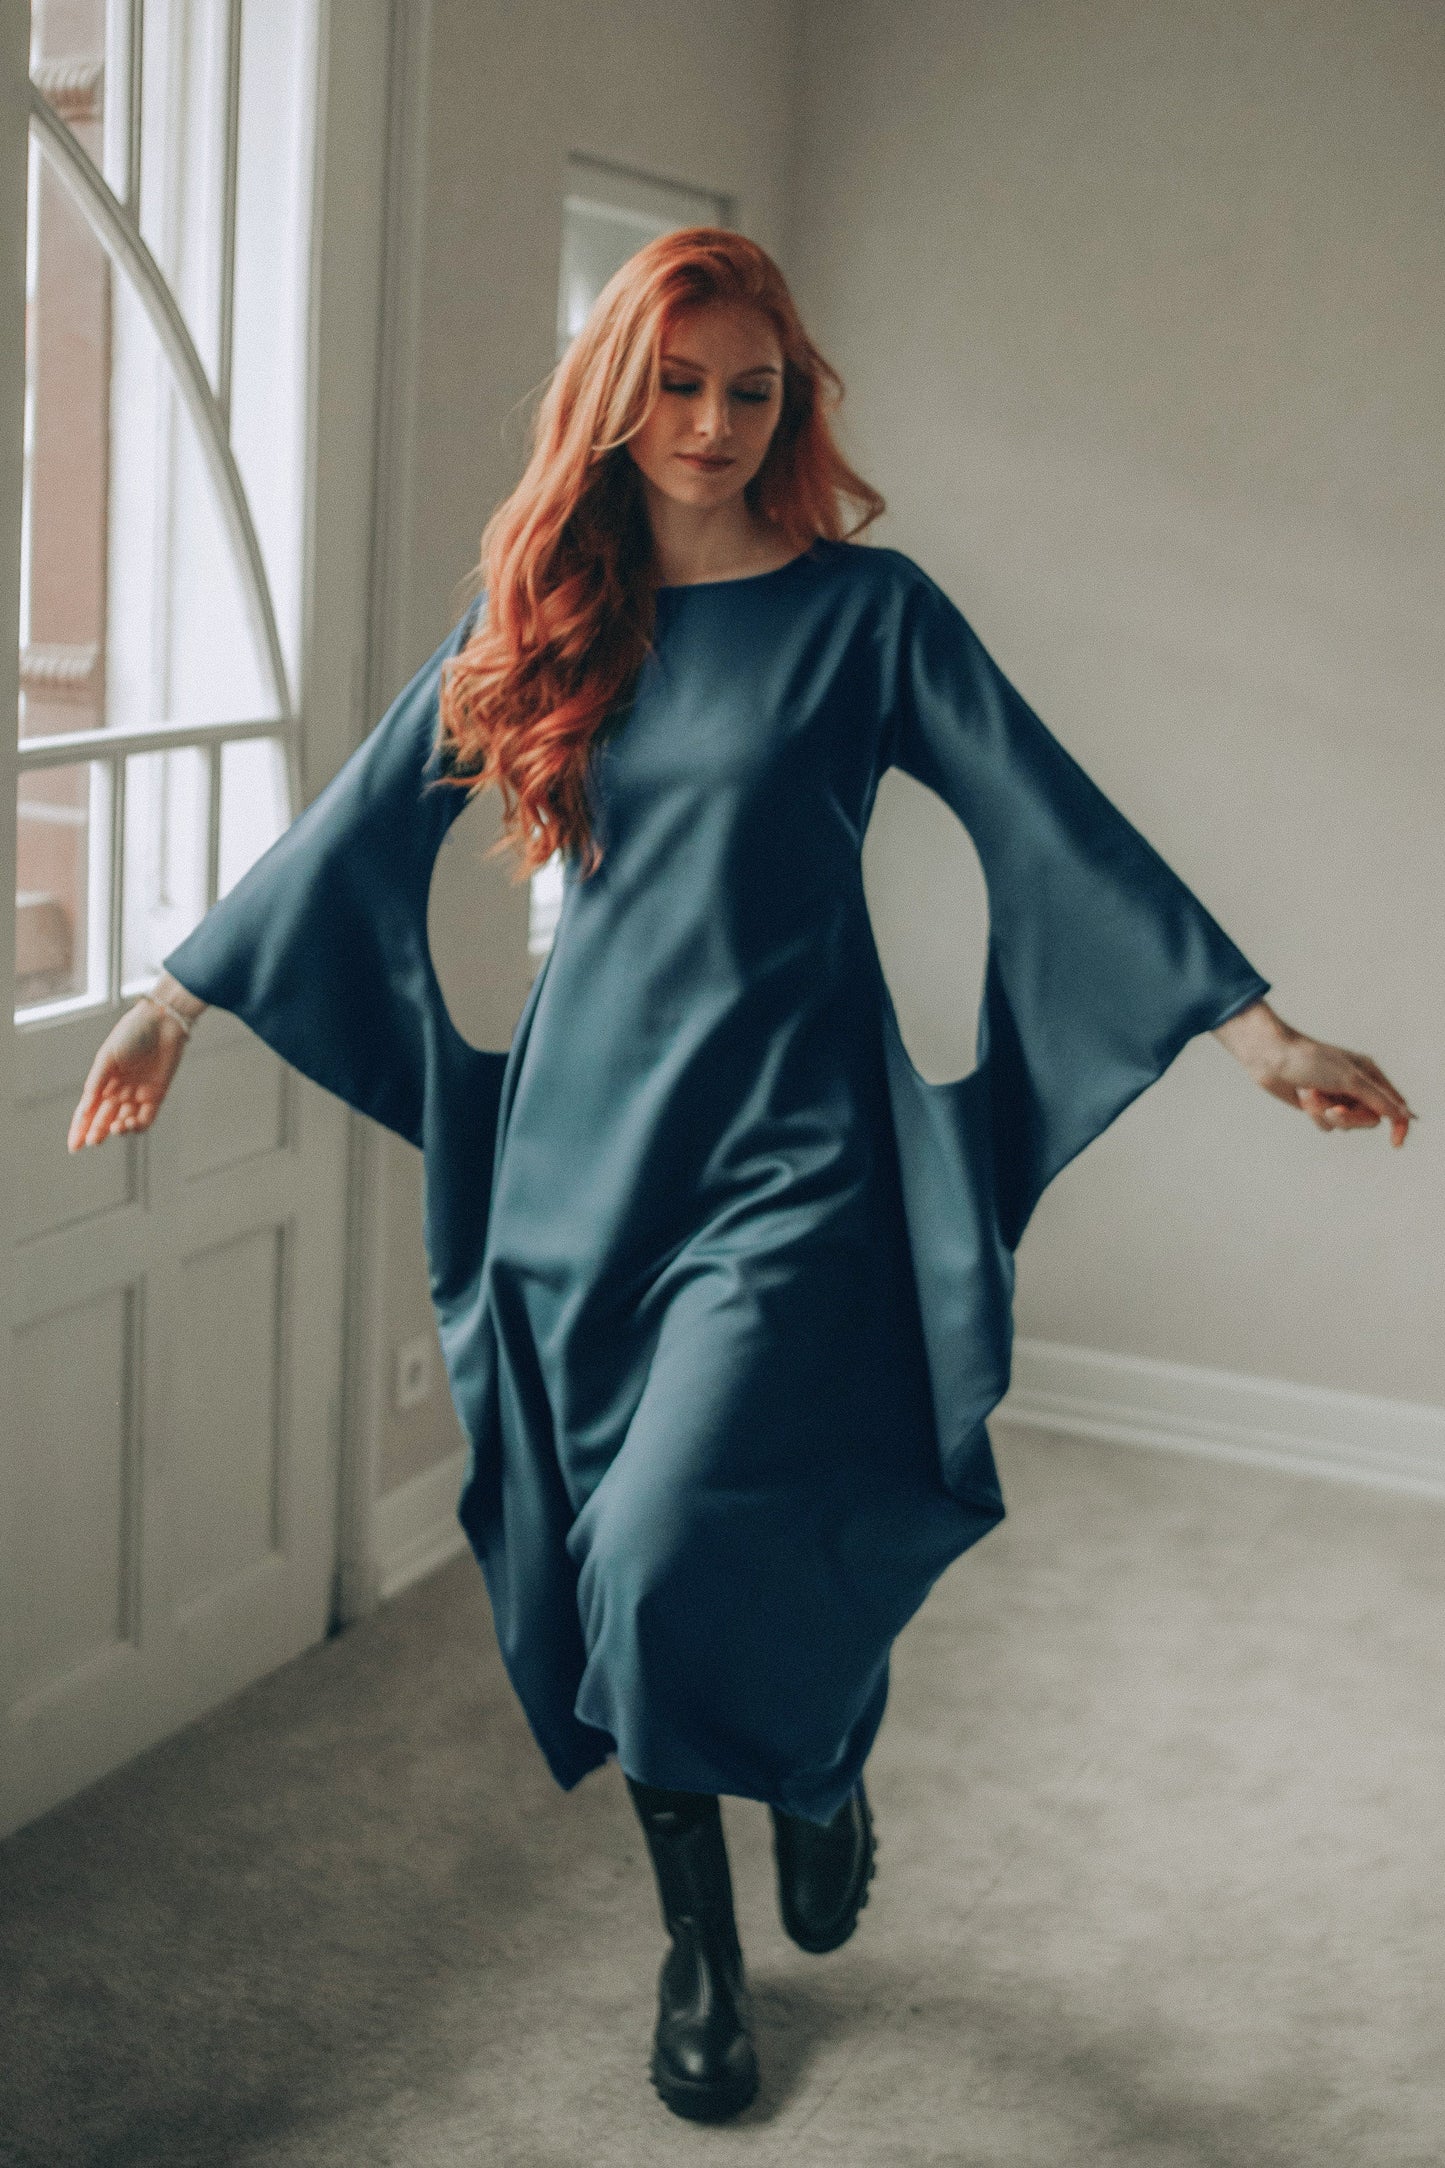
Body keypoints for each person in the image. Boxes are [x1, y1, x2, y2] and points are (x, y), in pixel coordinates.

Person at [67, 229, 1415, 2125]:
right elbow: (364, 818)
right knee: (611, 1561)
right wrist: (173, 1004)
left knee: (665, 1538)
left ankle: (799, 1775)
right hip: (581, 1155)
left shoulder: (871, 617)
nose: (712, 422)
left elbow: (1052, 818)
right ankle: (707, 1930)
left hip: (795, 1151)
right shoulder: (544, 609)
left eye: (750, 389)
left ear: (792, 400)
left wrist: (1256, 1034)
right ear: (619, 399)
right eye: (679, 385)